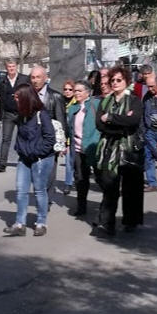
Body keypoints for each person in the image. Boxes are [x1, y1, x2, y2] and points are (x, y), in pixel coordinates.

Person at [92, 66, 144, 237]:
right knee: (109, 186)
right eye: (112, 80)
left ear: (126, 81)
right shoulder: (105, 101)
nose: (114, 83)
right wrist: (120, 126)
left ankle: (130, 221)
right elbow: (99, 125)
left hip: (129, 149)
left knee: (131, 188)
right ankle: (106, 223)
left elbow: (133, 121)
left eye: (118, 80)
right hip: (109, 149)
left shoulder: (134, 101)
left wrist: (111, 118)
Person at [4, 85, 56, 237]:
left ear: (26, 98)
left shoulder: (42, 114)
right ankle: (20, 224)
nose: (16, 100)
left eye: (18, 97)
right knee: (21, 190)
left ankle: (41, 223)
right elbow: (20, 136)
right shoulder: (22, 115)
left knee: (40, 190)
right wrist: (20, 149)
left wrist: (36, 153)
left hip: (41, 159)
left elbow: (49, 138)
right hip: (24, 158)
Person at [30, 66, 65, 198]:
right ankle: (41, 195)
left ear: (45, 78)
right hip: (33, 139)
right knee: (35, 171)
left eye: (38, 77)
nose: (35, 80)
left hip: (49, 139)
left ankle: (47, 198)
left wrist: (63, 143)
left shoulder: (55, 96)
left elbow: (61, 120)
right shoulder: (27, 95)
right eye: (33, 77)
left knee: (49, 171)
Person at [66, 81, 100, 217]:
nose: (77, 93)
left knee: (101, 178)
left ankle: (106, 206)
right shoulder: (73, 108)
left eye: (80, 91)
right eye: (75, 91)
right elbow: (69, 129)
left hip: (93, 147)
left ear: (88, 92)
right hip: (78, 149)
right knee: (80, 178)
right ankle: (81, 206)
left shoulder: (95, 104)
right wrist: (67, 144)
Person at [0, 60, 29, 172]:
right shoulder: (2, 80)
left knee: (23, 137)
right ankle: (2, 163)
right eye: (9, 66)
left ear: (17, 67)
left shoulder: (24, 79)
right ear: (6, 68)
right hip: (8, 114)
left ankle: (24, 161)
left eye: (13, 66)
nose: (11, 68)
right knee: (6, 139)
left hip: (21, 113)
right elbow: (1, 96)